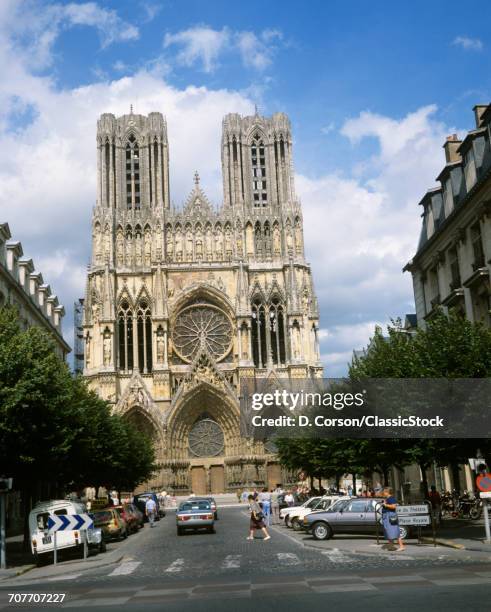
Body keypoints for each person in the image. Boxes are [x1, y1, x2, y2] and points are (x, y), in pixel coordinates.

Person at [381, 487, 404, 551]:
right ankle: (391, 546)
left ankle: (401, 546)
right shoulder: (388, 498)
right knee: (389, 531)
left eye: (384, 492)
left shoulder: (391, 498)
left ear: (387, 492)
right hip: (387, 516)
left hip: (390, 516)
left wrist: (385, 505)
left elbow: (394, 506)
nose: (383, 493)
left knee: (395, 530)